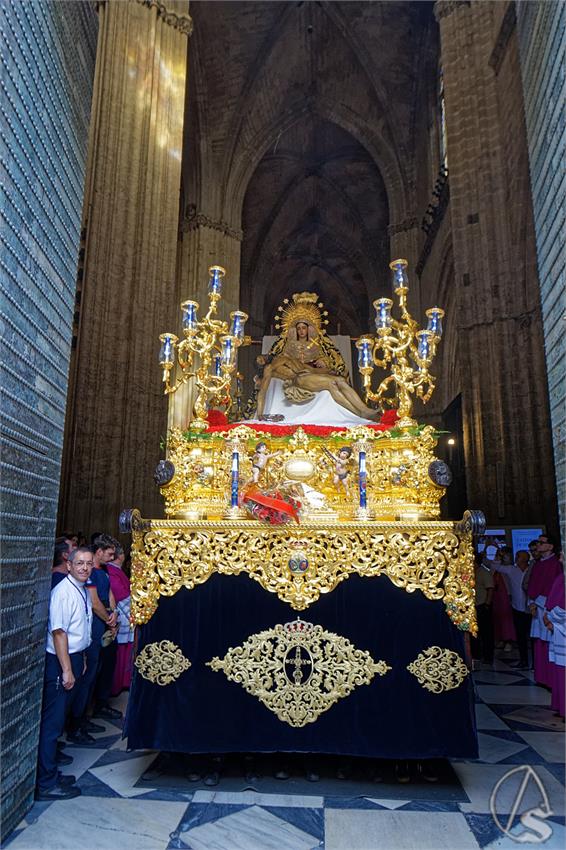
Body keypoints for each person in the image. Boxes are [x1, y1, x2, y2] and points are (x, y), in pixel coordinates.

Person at [35, 546, 93, 800]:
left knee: (59, 721)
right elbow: (59, 633)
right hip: (61, 661)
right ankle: (45, 783)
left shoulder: (80, 590)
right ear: (68, 565)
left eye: (89, 563)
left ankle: (51, 772)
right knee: (52, 724)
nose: (84, 567)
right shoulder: (63, 593)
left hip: (74, 657)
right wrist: (67, 669)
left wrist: (80, 659)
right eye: (79, 563)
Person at [67, 535, 119, 744]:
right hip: (95, 627)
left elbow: (109, 593)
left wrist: (113, 612)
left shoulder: (103, 572)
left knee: (97, 671)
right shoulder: (89, 575)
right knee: (87, 675)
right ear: (98, 552)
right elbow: (95, 600)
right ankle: (77, 722)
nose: (112, 557)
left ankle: (88, 713)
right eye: (109, 554)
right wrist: (108, 619)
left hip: (105, 622)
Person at [527, 534, 562, 687]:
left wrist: (538, 602)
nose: (538, 545)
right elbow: (532, 583)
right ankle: (541, 676)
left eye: (542, 543)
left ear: (550, 546)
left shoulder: (555, 564)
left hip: (547, 607)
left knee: (548, 640)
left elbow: (553, 586)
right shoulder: (537, 563)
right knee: (539, 640)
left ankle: (549, 678)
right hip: (536, 606)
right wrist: (531, 602)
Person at [493, 549, 531, 668]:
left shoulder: (532, 570)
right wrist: (498, 554)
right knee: (520, 636)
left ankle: (536, 663)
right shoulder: (512, 569)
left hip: (531, 607)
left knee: (533, 636)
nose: (516, 558)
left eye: (518, 556)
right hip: (517, 607)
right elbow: (494, 566)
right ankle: (523, 660)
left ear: (524, 559)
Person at [106, 544, 134, 696]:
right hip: (123, 616)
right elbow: (121, 595)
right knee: (120, 654)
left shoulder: (116, 571)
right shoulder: (112, 571)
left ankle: (124, 681)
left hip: (126, 616)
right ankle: (117, 685)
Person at [544, 563, 565, 718]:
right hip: (558, 627)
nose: (559, 558)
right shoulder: (561, 577)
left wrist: (551, 617)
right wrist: (548, 615)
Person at [472, 554, 494, 665]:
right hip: (473, 606)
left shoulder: (484, 573)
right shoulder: (471, 573)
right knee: (475, 632)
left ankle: (488, 656)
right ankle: (476, 654)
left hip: (482, 605)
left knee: (486, 633)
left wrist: (487, 604)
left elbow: (490, 588)